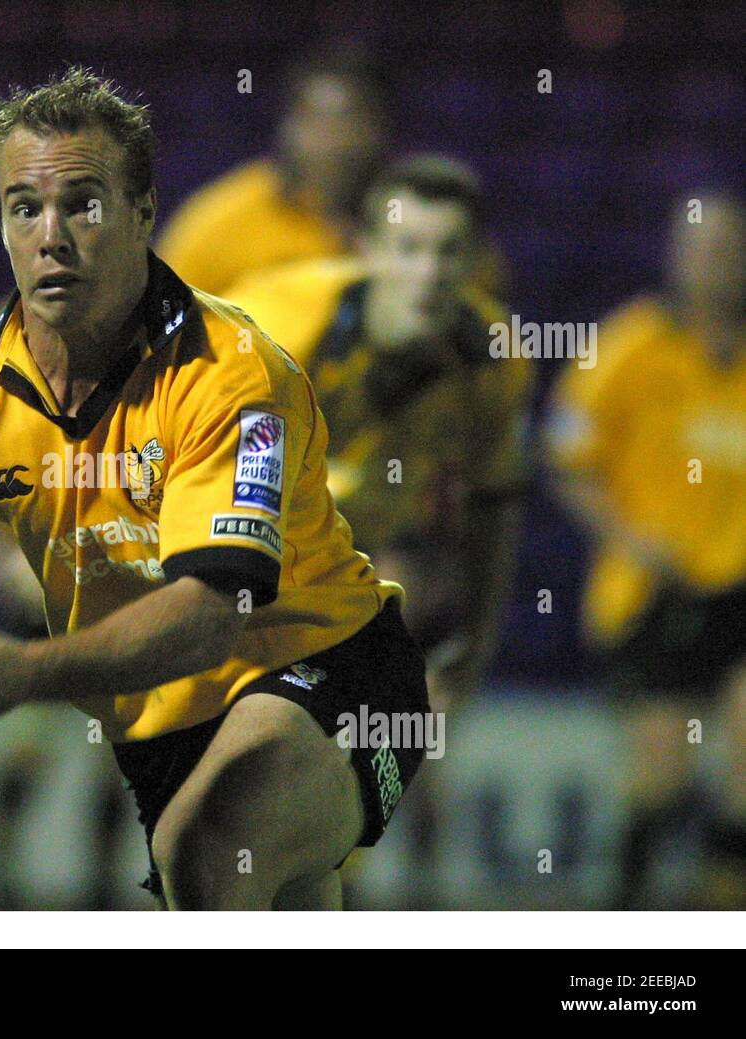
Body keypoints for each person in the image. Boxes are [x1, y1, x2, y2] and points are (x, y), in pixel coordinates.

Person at [0, 66, 430, 910]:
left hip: (332, 664)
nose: (52, 234)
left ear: (142, 213)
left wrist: (29, 671)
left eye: (83, 203)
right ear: (1, 223)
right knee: (253, 889)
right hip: (165, 719)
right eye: (25, 207)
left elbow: (210, 609)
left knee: (208, 847)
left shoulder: (230, 372)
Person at [227, 156, 529, 713]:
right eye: (408, 248)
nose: (429, 273)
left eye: (449, 251)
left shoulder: (495, 359)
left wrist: (474, 652)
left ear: (477, 260)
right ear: (365, 248)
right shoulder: (275, 327)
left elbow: (493, 509)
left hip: (368, 541)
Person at [546, 193, 746, 909]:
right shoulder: (631, 344)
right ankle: (624, 924)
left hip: (738, 589)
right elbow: (568, 458)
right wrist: (632, 539)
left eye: (728, 247)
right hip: (655, 593)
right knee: (663, 775)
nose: (715, 262)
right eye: (701, 248)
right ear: (674, 257)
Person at [155, 44, 388, 296]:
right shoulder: (222, 220)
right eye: (318, 121)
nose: (333, 143)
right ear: (288, 125)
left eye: (350, 122)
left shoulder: (402, 216)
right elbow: (160, 318)